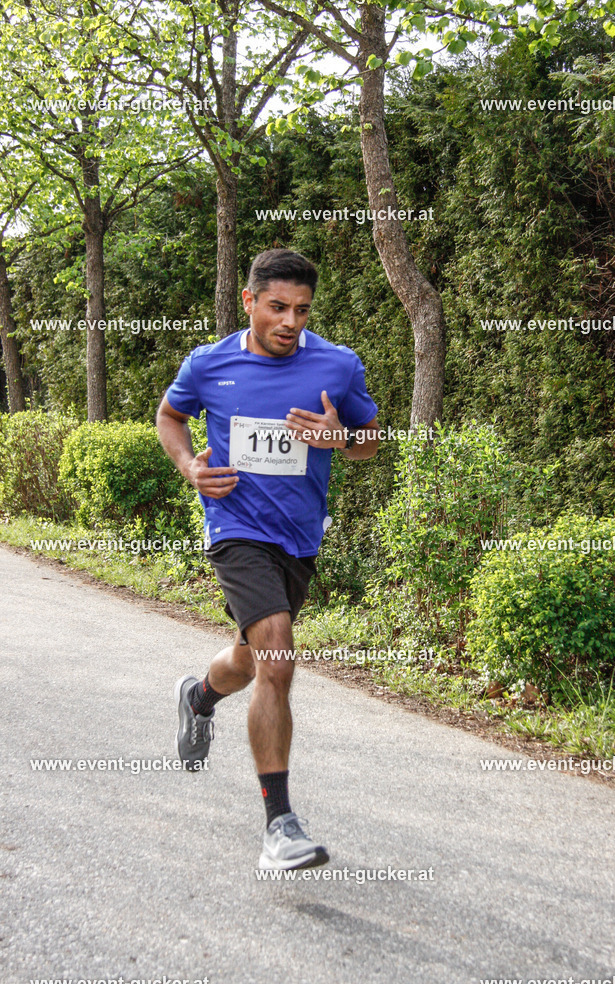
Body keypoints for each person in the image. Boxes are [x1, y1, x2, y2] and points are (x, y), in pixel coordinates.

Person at [156, 249, 380, 870]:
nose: (290, 321)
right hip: (235, 528)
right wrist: (190, 467)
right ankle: (279, 824)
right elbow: (170, 416)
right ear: (249, 301)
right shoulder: (210, 363)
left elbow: (370, 440)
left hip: (299, 538)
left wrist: (342, 439)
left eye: (302, 310)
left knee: (255, 661)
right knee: (279, 656)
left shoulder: (337, 363)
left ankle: (200, 696)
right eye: (277, 307)